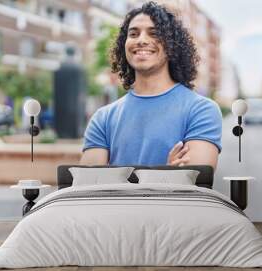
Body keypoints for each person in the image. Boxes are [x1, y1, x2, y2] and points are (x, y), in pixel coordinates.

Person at [80, 1, 222, 171]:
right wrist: (166, 172)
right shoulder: (103, 118)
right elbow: (90, 187)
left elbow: (196, 184)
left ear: (172, 45)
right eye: (133, 34)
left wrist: (117, 178)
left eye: (154, 33)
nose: (141, 40)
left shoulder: (201, 110)